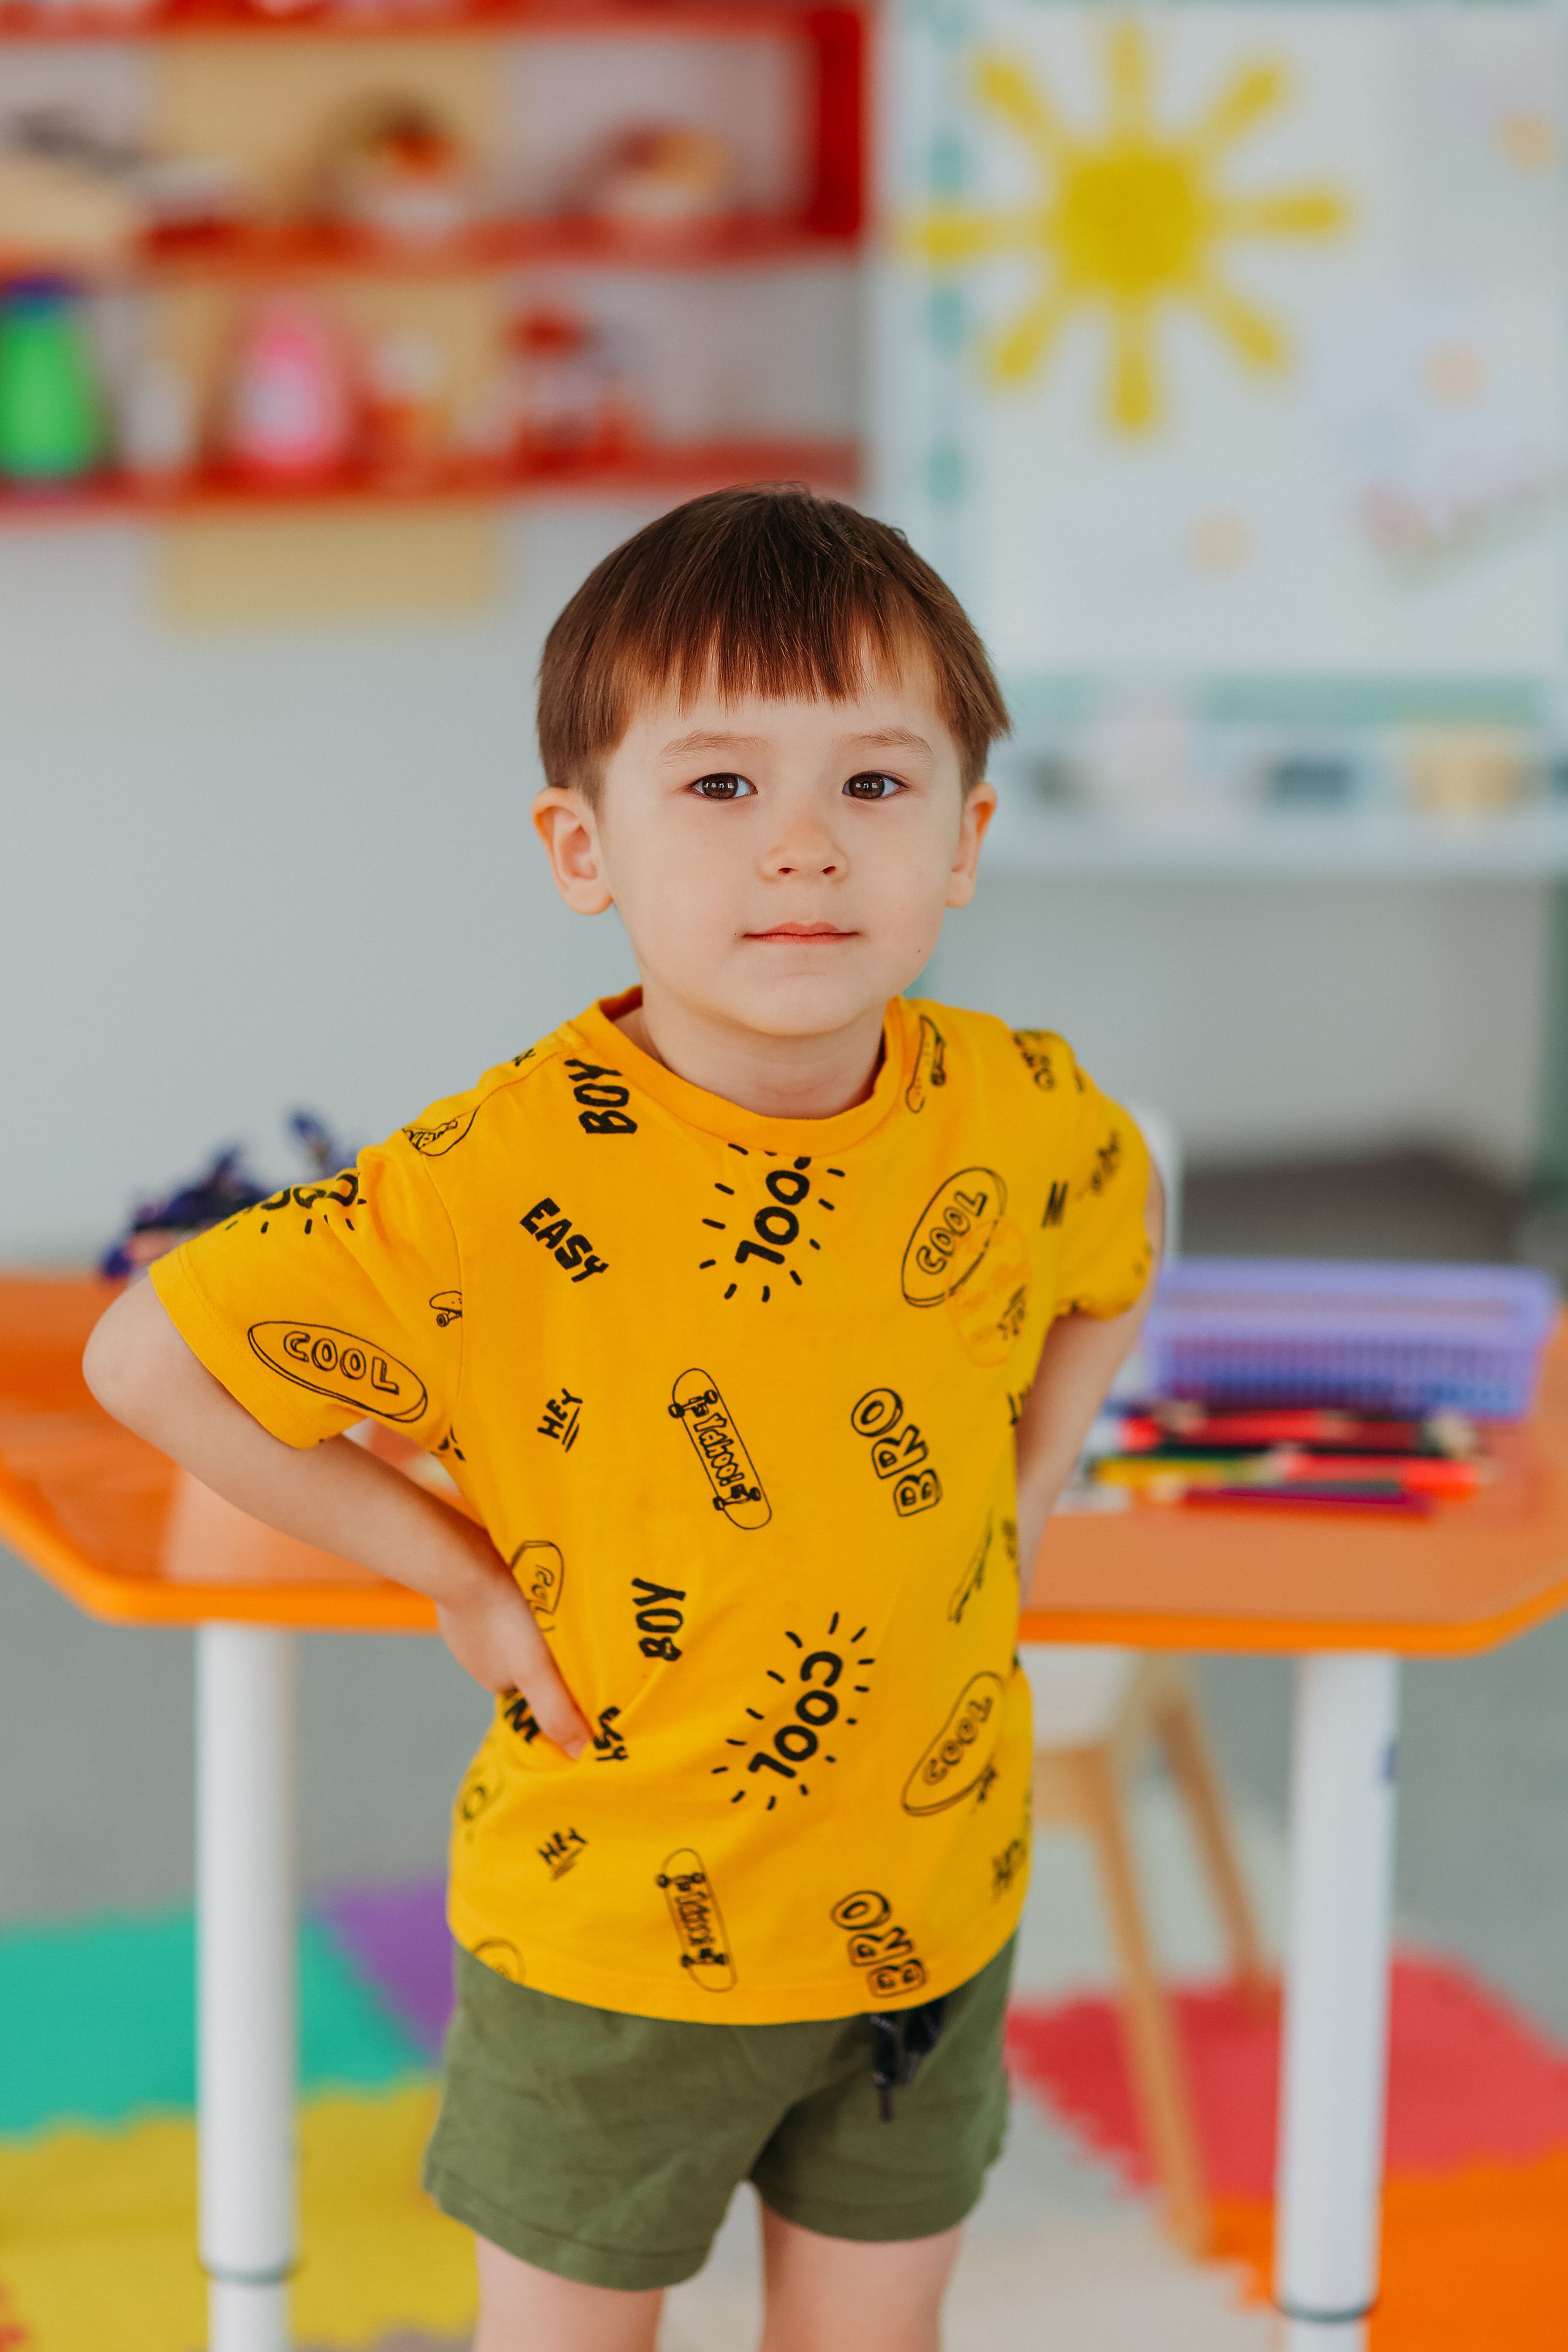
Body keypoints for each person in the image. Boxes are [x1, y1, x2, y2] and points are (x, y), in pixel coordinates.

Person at [84, 485, 1163, 2352]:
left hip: (929, 1903)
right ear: (582, 845)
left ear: (969, 836)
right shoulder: (490, 1183)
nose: (807, 850)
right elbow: (150, 1363)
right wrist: (460, 1579)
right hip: (615, 1949)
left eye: (876, 788)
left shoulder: (1018, 1102)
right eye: (725, 788)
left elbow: (1116, 1231)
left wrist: (1031, 1481)